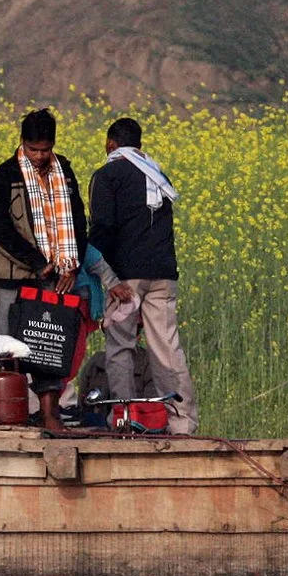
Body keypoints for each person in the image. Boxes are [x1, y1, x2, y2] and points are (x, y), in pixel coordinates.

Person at [0, 107, 107, 428]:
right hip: (16, 278)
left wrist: (71, 266)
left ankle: (50, 416)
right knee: (8, 346)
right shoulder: (4, 176)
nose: (39, 156)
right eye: (33, 149)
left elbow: (78, 221)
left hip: (55, 277)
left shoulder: (63, 170)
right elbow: (1, 230)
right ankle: (7, 415)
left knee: (49, 347)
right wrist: (40, 264)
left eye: (45, 149)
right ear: (22, 142)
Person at [88, 116, 198, 434]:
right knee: (167, 347)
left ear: (111, 144)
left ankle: (124, 418)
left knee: (120, 345)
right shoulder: (158, 175)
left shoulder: (108, 175)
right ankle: (182, 421)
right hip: (163, 274)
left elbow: (103, 227)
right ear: (139, 146)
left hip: (125, 278)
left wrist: (101, 274)